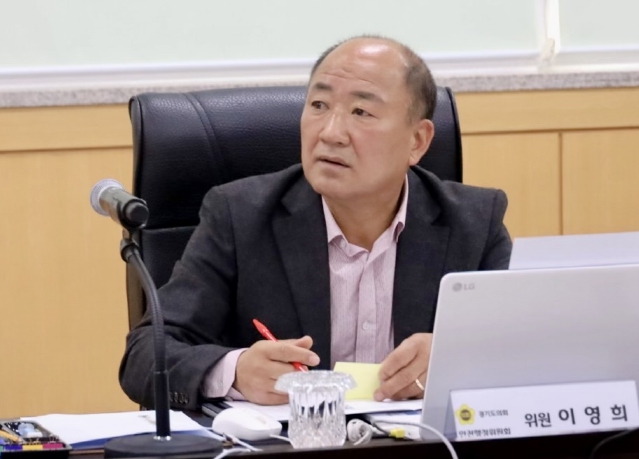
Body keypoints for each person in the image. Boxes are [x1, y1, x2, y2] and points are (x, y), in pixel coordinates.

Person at [119, 35, 511, 410]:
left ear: (418, 141)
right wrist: (235, 371)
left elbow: (517, 348)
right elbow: (145, 356)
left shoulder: (475, 224)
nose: (331, 132)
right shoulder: (239, 216)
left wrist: (455, 357)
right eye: (319, 105)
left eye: (361, 112)